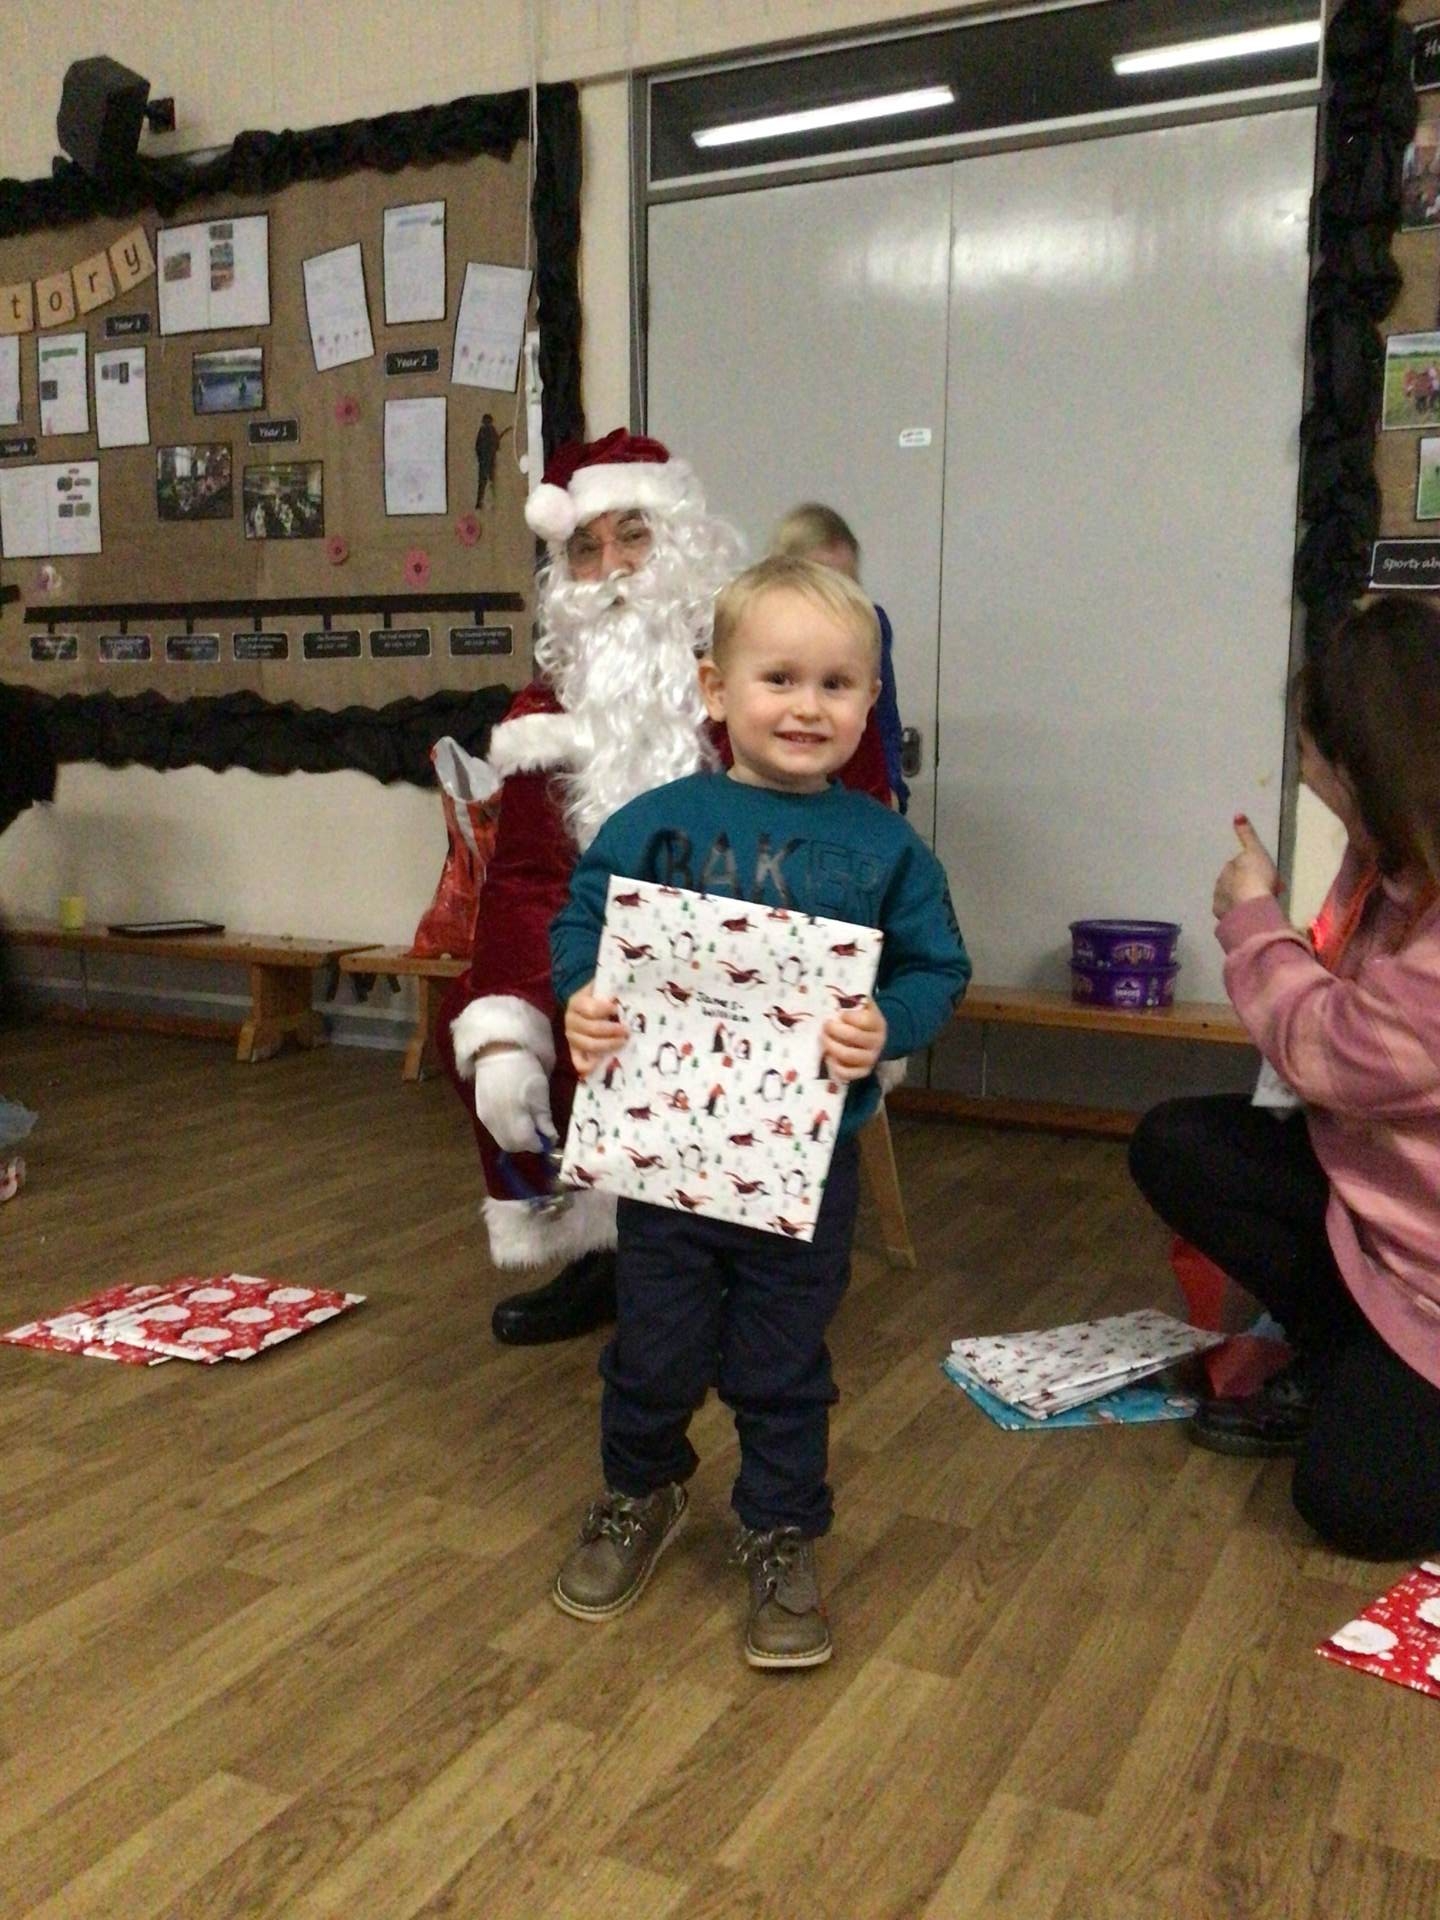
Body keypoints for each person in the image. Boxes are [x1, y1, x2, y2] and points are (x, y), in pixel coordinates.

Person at [547, 555, 970, 1666]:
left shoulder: (888, 848)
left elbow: (938, 968)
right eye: (779, 678)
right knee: (653, 1349)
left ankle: (781, 1530)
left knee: (784, 1364)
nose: (807, 706)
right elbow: (583, 922)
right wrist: (584, 996)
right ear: (715, 688)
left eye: (837, 684)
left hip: (807, 1170)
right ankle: (641, 1490)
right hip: (668, 1165)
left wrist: (889, 1022)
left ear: (870, 703)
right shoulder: (656, 824)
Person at [439, 432, 894, 1347]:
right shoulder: (541, 713)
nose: (611, 568)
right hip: (605, 963)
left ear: (681, 538)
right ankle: (599, 1252)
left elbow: (862, 826)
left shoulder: (769, 678)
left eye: (633, 536)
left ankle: (738, 1267)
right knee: (506, 1031)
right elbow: (526, 880)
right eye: (585, 547)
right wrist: (510, 1029)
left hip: (755, 962)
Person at [1129, 597, 1440, 1560]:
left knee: (1353, 1504)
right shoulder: (1394, 856)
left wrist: (1254, 922)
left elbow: (1328, 1047)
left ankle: (1366, 1365)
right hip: (1380, 1204)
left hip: (1426, 1261)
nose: (1300, 771)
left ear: (1361, 764)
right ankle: (1345, 1346)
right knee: (1178, 1143)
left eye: (1307, 753)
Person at [771, 502, 909, 813]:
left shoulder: (870, 623)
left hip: (853, 785)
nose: (832, 595)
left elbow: (883, 715)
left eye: (844, 583)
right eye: (818, 580)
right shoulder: (758, 625)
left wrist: (892, 787)